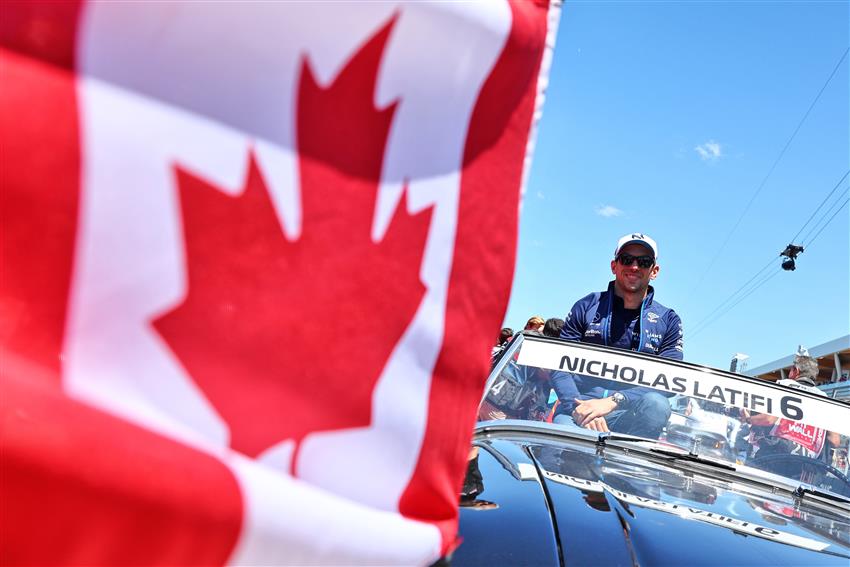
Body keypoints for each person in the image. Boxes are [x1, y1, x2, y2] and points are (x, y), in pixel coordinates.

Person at [551, 233, 683, 439]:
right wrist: (581, 408)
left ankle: (633, 468)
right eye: (627, 259)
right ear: (614, 266)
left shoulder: (669, 320)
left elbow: (668, 381)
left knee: (657, 404)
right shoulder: (586, 305)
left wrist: (614, 401)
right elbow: (558, 364)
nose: (634, 267)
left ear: (654, 270)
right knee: (556, 443)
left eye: (644, 261)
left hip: (628, 412)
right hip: (578, 408)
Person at [746, 346, 841, 462]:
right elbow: (835, 441)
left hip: (774, 458)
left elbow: (768, 419)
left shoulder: (783, 385)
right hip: (806, 465)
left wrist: (747, 419)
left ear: (796, 371)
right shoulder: (825, 398)